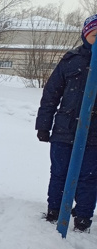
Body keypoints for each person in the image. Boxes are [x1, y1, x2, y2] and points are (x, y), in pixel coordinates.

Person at [35, 13, 97, 233]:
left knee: (89, 177)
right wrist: (43, 124)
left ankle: (83, 219)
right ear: (85, 34)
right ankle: (55, 211)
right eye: (94, 34)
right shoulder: (71, 59)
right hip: (65, 129)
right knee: (59, 172)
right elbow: (52, 93)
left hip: (94, 136)